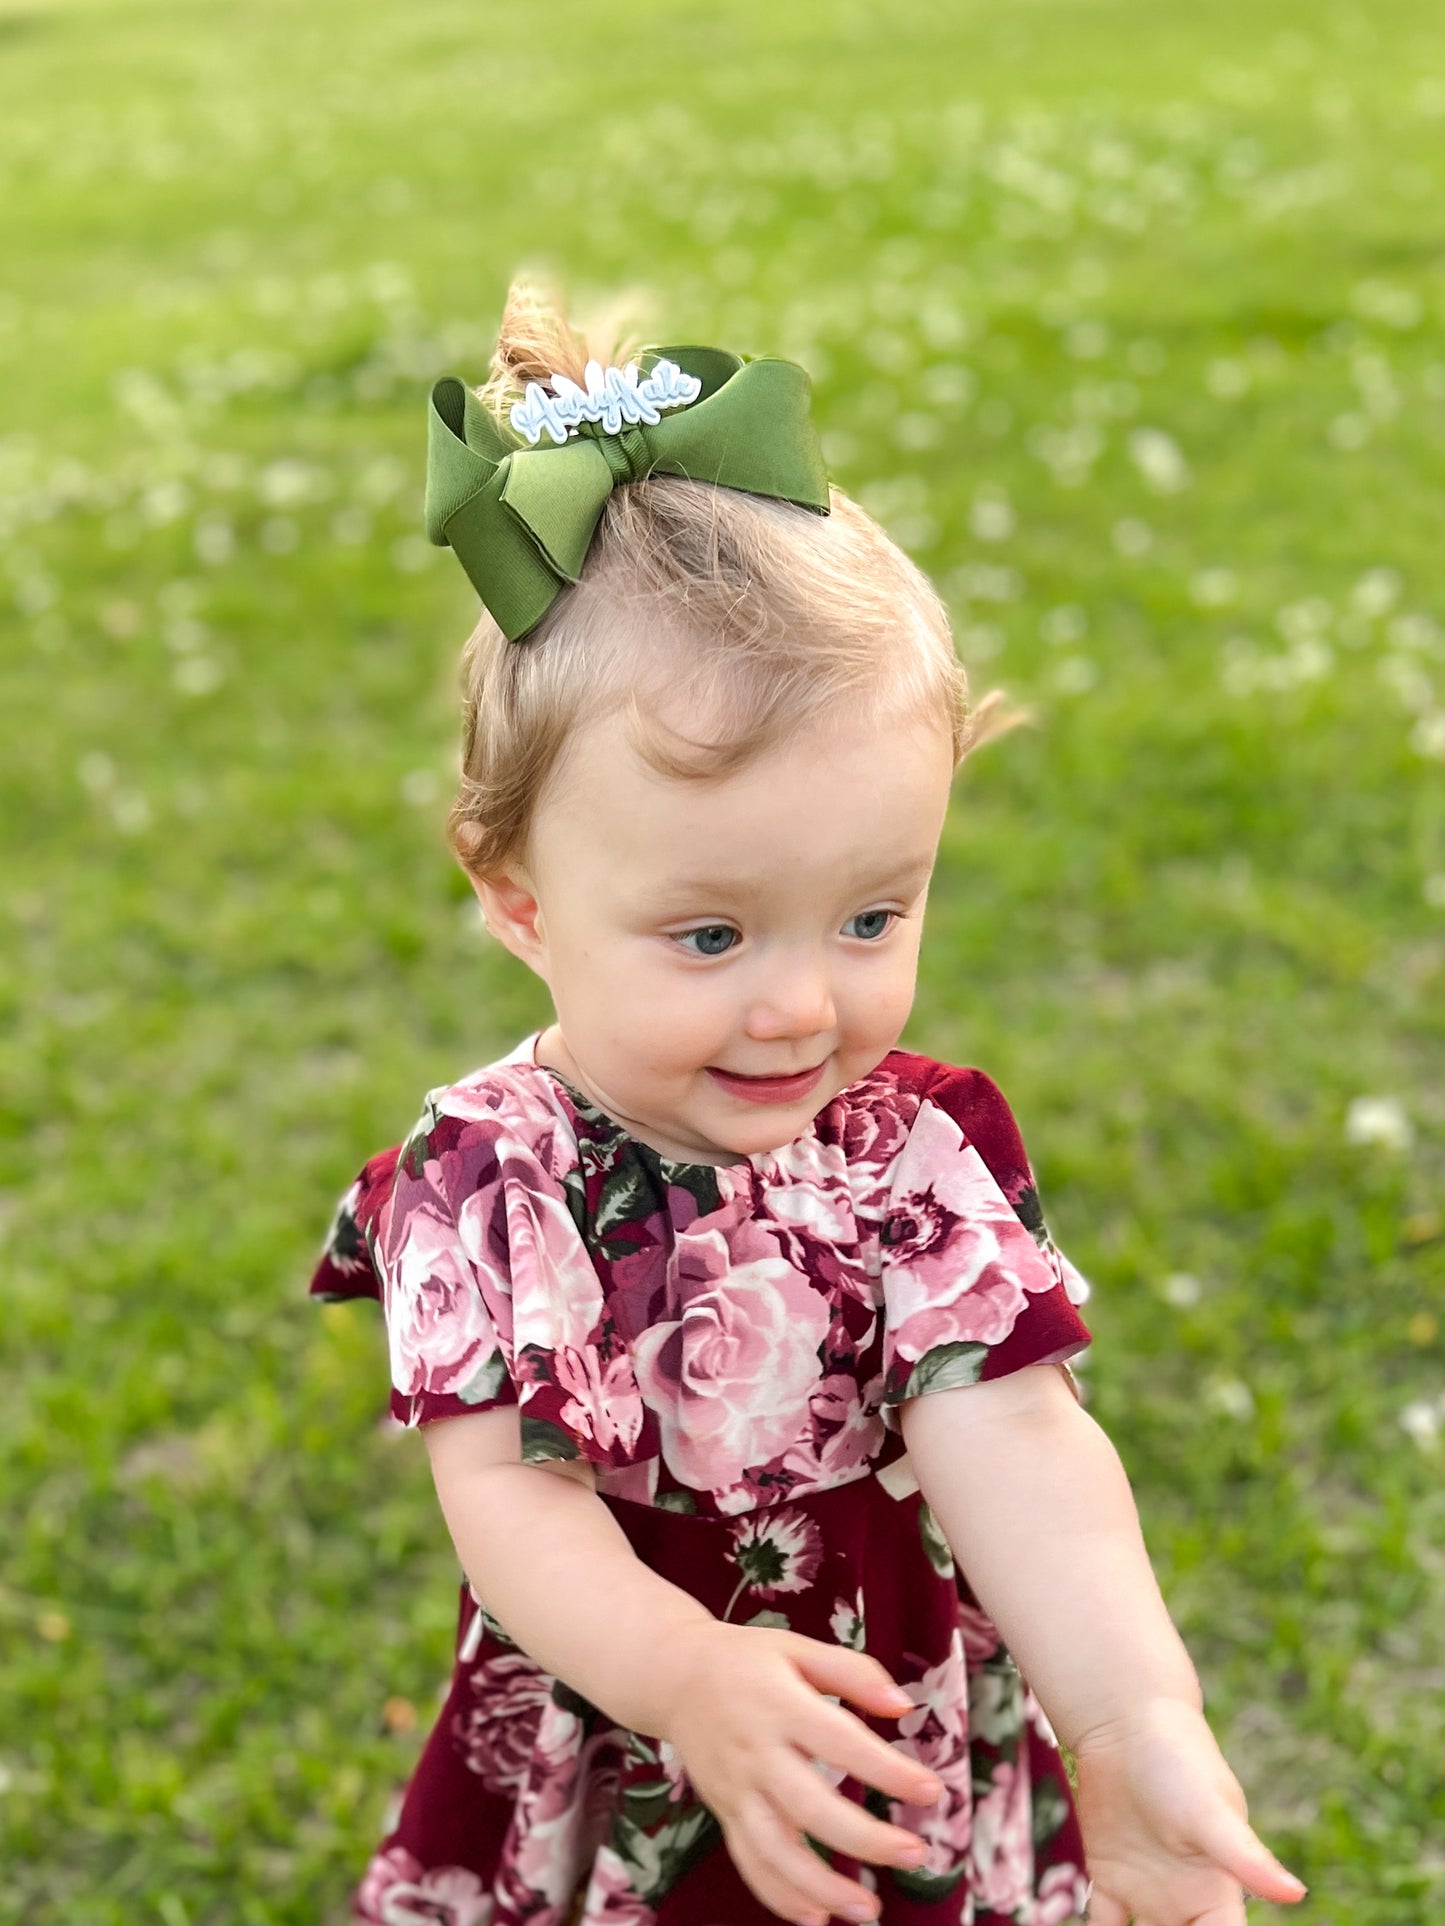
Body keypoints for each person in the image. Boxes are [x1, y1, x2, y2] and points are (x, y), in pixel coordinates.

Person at [311, 278, 1308, 1926]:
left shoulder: (904, 1148)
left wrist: (1129, 1719)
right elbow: (510, 1505)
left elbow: (1012, 1433)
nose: (800, 1002)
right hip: (641, 1722)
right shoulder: (495, 1174)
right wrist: (688, 1676)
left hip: (892, 1731)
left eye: (871, 915)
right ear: (519, 900)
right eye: (709, 934)